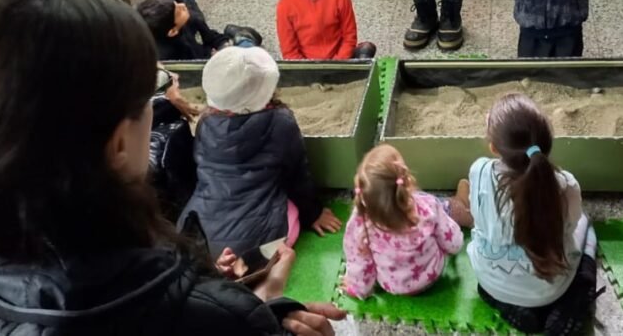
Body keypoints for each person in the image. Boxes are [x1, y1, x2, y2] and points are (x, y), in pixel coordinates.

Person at [0, 0, 346, 335]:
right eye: (150, 96)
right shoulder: (205, 318)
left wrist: (245, 304)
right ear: (119, 144)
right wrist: (251, 312)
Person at [178, 47, 342, 258]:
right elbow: (297, 176)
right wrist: (314, 214)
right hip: (258, 245)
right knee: (290, 209)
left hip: (198, 238)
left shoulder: (206, 122)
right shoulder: (280, 121)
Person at [466, 93, 597, 335]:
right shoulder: (564, 185)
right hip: (548, 289)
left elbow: (476, 213)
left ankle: (506, 304)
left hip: (489, 279)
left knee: (493, 284)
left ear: (494, 148)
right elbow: (571, 225)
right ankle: (570, 304)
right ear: (547, 143)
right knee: (586, 226)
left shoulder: (479, 171)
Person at [341, 144, 469, 299]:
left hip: (393, 286)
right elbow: (453, 243)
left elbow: (359, 262)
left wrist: (357, 289)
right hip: (432, 274)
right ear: (406, 181)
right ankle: (460, 207)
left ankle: (458, 205)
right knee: (441, 207)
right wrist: (455, 246)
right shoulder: (427, 206)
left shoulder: (360, 224)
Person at [137, 0, 262, 61]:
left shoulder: (189, 18)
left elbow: (210, 35)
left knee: (243, 44)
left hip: (207, 54)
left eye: (178, 3)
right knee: (246, 47)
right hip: (200, 68)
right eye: (178, 11)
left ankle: (235, 36)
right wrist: (211, 59)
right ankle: (238, 36)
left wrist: (223, 44)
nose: (182, 6)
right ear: (172, 31)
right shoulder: (165, 56)